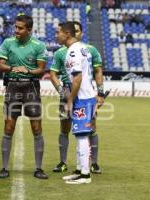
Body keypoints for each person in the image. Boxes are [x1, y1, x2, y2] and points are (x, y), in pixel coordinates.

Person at [0, 14, 48, 179]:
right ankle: (4, 167)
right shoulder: (7, 43)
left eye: (20, 28)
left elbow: (41, 69)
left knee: (37, 128)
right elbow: (0, 65)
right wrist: (12, 68)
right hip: (12, 86)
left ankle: (38, 168)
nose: (16, 30)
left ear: (29, 30)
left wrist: (28, 71)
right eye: (16, 27)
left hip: (31, 87)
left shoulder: (39, 45)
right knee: (8, 127)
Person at [50, 21, 104, 174]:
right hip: (69, 92)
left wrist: (100, 93)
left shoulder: (88, 50)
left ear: (80, 33)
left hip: (80, 94)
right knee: (65, 128)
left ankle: (91, 164)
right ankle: (64, 162)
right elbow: (53, 74)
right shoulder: (61, 52)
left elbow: (97, 72)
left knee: (89, 128)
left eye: (78, 31)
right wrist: (62, 92)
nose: (77, 33)